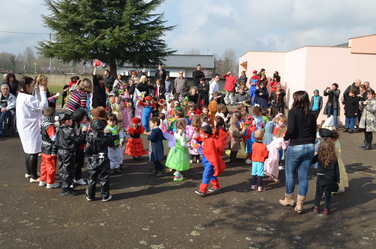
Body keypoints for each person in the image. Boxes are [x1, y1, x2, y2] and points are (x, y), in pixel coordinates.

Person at [279, 91, 316, 214]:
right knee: (303, 176)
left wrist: (285, 138)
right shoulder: (311, 113)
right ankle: (300, 204)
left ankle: (289, 199)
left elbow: (291, 129)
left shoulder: (293, 112)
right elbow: (314, 130)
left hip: (296, 146)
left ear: (296, 100)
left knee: (290, 174)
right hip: (310, 145)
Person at [16, 76, 49, 183]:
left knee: (27, 150)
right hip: (30, 127)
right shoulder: (28, 98)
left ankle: (29, 172)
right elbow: (44, 106)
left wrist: (37, 88)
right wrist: (43, 91)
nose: (33, 87)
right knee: (33, 151)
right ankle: (34, 176)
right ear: (26, 86)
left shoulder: (21, 95)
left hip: (24, 126)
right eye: (31, 85)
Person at [85, 114, 114, 202]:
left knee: (91, 178)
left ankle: (90, 195)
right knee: (104, 178)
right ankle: (105, 196)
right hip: (103, 157)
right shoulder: (105, 137)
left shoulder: (89, 137)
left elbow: (87, 150)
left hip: (92, 159)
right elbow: (112, 143)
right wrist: (109, 133)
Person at [312, 129, 340, 215]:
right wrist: (337, 179)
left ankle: (316, 207)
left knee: (318, 193)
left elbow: (312, 161)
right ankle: (326, 209)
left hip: (320, 177)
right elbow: (336, 170)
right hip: (330, 178)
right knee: (328, 195)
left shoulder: (319, 155)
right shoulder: (334, 157)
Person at [194, 125, 226, 197]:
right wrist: (197, 140)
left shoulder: (210, 141)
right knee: (211, 174)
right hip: (208, 160)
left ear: (206, 134)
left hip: (210, 161)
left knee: (206, 175)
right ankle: (216, 185)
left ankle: (202, 190)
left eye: (201, 133)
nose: (200, 135)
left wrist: (197, 147)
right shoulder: (209, 139)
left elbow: (206, 152)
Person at [38, 107, 60, 189]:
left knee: (43, 165)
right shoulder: (50, 126)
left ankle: (42, 180)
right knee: (51, 166)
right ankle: (50, 183)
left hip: (44, 147)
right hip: (50, 149)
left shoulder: (43, 123)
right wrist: (57, 130)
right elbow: (53, 138)